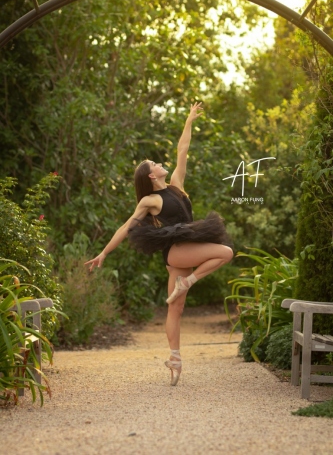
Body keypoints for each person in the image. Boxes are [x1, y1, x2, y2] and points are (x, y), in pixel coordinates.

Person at [85, 102, 234, 386]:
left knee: (175, 309)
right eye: (154, 164)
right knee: (225, 252)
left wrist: (189, 119)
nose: (158, 163)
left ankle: (175, 359)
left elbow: (182, 149)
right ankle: (188, 282)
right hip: (177, 252)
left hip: (184, 253)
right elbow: (126, 227)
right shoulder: (150, 200)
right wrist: (104, 252)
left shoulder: (177, 184)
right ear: (152, 175)